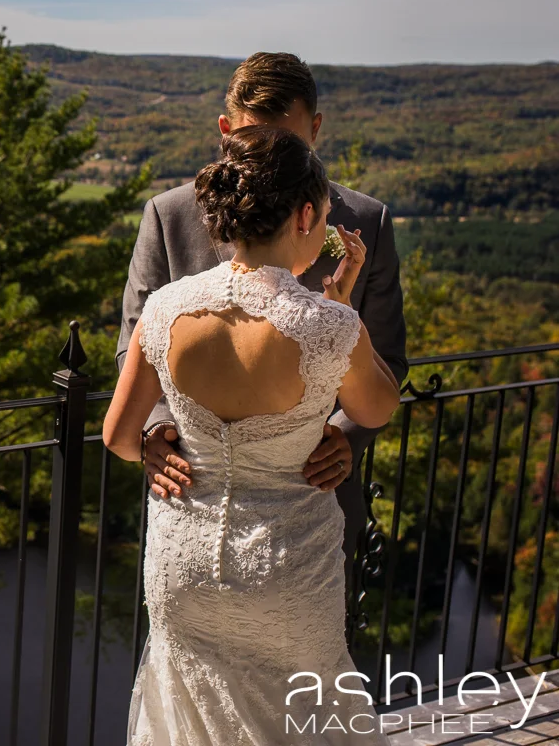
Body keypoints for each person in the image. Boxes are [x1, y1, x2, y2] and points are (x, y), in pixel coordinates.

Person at [102, 125, 403, 743]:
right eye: (323, 217)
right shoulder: (327, 325)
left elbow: (119, 437)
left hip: (184, 566)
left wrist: (156, 448)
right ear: (305, 215)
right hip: (288, 571)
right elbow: (377, 408)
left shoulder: (165, 308)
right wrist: (343, 308)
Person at [116, 52, 408, 598]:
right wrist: (154, 430)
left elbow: (388, 359)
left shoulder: (366, 222)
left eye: (287, 142)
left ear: (315, 130)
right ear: (226, 131)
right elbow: (133, 343)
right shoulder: (168, 215)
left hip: (313, 501)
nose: (270, 162)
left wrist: (346, 440)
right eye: (254, 139)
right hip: (191, 496)